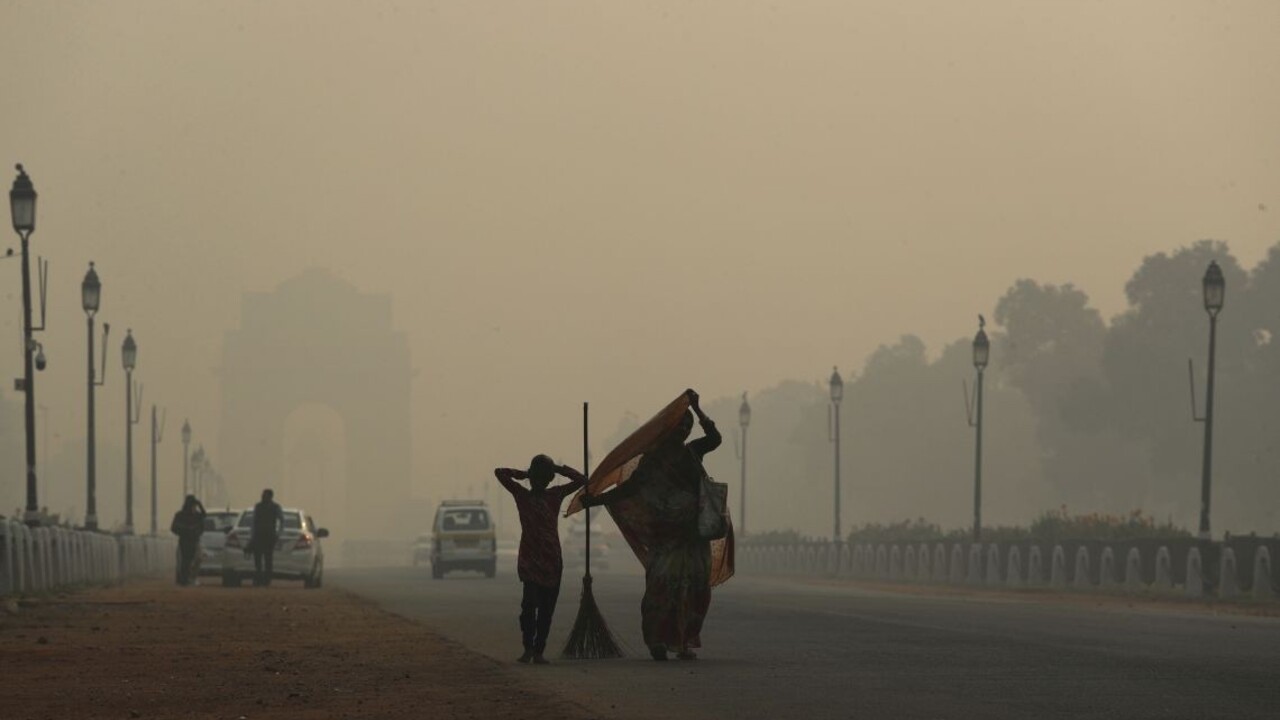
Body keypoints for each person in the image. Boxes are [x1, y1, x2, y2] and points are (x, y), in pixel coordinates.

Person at [582, 388, 721, 661]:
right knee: (661, 586)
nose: (683, 430)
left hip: (693, 534)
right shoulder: (652, 460)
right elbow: (629, 489)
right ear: (668, 429)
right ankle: (657, 640)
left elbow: (715, 439)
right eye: (679, 425)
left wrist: (697, 409)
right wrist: (595, 500)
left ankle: (682, 642)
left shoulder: (692, 452)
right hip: (665, 534)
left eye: (687, 426)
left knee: (693, 587)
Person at [493, 454, 588, 665]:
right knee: (529, 606)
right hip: (530, 560)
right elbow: (499, 473)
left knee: (546, 609)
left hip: (551, 560)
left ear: (548, 479)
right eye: (536, 477)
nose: (538, 481)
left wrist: (556, 469)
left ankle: (538, 651)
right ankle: (529, 648)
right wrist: (527, 474)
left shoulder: (554, 495)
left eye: (542, 477)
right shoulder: (522, 495)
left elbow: (583, 480)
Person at [248, 489, 285, 587]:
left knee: (268, 559)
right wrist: (252, 535)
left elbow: (282, 520)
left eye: (265, 495)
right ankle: (259, 578)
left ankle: (266, 580)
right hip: (258, 536)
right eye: (263, 495)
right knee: (258, 559)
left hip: (269, 536)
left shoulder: (275, 507)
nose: (263, 497)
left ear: (270, 496)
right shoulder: (258, 506)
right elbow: (253, 521)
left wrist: (278, 534)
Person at [170, 495, 207, 586]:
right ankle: (184, 579)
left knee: (197, 559)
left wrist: (200, 505)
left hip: (195, 541)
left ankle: (191, 578)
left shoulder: (197, 515)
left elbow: (204, 515)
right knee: (184, 562)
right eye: (192, 505)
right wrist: (185, 530)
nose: (193, 508)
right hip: (184, 541)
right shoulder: (180, 515)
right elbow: (174, 528)